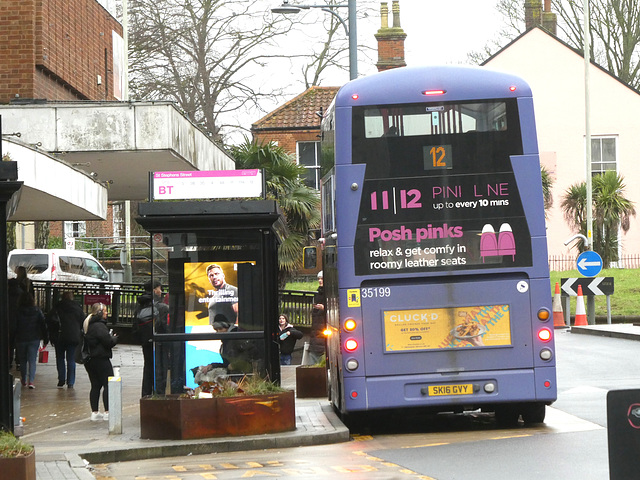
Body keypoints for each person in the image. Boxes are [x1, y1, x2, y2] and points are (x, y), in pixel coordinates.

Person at [83, 302, 118, 421]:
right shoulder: (99, 326)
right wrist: (114, 338)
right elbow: (108, 342)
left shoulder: (88, 324)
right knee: (108, 383)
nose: (107, 313)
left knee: (95, 385)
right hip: (101, 359)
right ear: (99, 313)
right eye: (105, 311)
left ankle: (95, 412)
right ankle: (108, 411)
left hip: (90, 360)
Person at [135, 280, 167, 397]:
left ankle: (146, 393)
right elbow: (164, 325)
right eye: (159, 288)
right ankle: (158, 392)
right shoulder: (160, 306)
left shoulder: (140, 303)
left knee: (148, 365)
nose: (161, 291)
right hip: (158, 341)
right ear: (154, 290)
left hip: (145, 340)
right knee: (159, 366)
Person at [48, 291, 85, 388]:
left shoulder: (57, 307)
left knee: (60, 358)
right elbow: (83, 322)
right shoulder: (78, 308)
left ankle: (61, 379)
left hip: (59, 337)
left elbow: (50, 321)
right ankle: (71, 382)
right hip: (73, 337)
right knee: (71, 359)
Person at [14, 292, 48, 388]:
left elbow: (14, 326)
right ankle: (31, 381)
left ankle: (24, 379)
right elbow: (43, 325)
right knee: (32, 360)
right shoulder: (37, 311)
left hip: (21, 338)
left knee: (23, 360)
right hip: (34, 338)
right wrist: (46, 338)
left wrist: (12, 339)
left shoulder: (18, 311)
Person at [307, 271, 327, 365]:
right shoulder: (319, 292)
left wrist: (324, 308)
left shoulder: (327, 293)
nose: (320, 281)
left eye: (322, 278)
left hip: (322, 328)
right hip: (317, 329)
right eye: (319, 279)